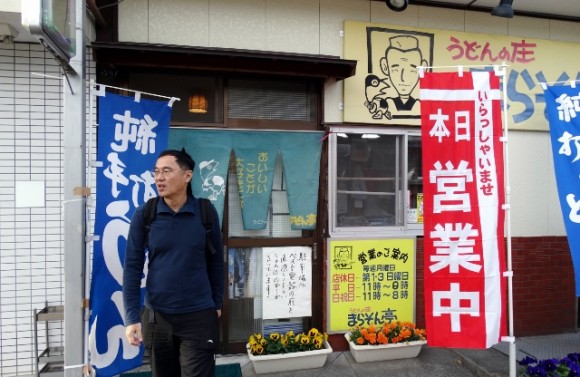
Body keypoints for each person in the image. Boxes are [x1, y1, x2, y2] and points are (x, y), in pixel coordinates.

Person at [123, 149, 224, 377]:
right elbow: (132, 268)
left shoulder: (206, 212)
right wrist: (131, 318)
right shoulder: (146, 214)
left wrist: (216, 303)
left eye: (166, 171)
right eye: (156, 172)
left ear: (187, 176)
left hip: (198, 316)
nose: (159, 178)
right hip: (158, 318)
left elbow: (217, 261)